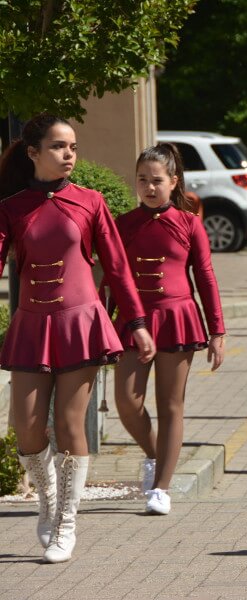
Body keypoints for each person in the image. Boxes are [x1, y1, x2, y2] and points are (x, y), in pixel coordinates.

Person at [0, 113, 156, 563]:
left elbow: (118, 267)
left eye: (72, 146)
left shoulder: (90, 201)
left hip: (80, 322)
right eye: (58, 147)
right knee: (26, 426)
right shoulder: (10, 207)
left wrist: (137, 323)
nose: (69, 154)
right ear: (33, 153)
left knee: (70, 425)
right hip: (32, 324)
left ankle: (67, 522)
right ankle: (48, 500)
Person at [111, 144, 226, 516]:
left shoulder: (190, 223)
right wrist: (102, 323)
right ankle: (154, 455)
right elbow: (112, 278)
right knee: (127, 402)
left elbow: (205, 278)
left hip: (177, 318)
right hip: (133, 321)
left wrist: (217, 331)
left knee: (171, 404)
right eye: (142, 179)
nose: (148, 187)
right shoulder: (123, 224)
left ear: (173, 181)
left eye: (156, 180)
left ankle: (162, 487)